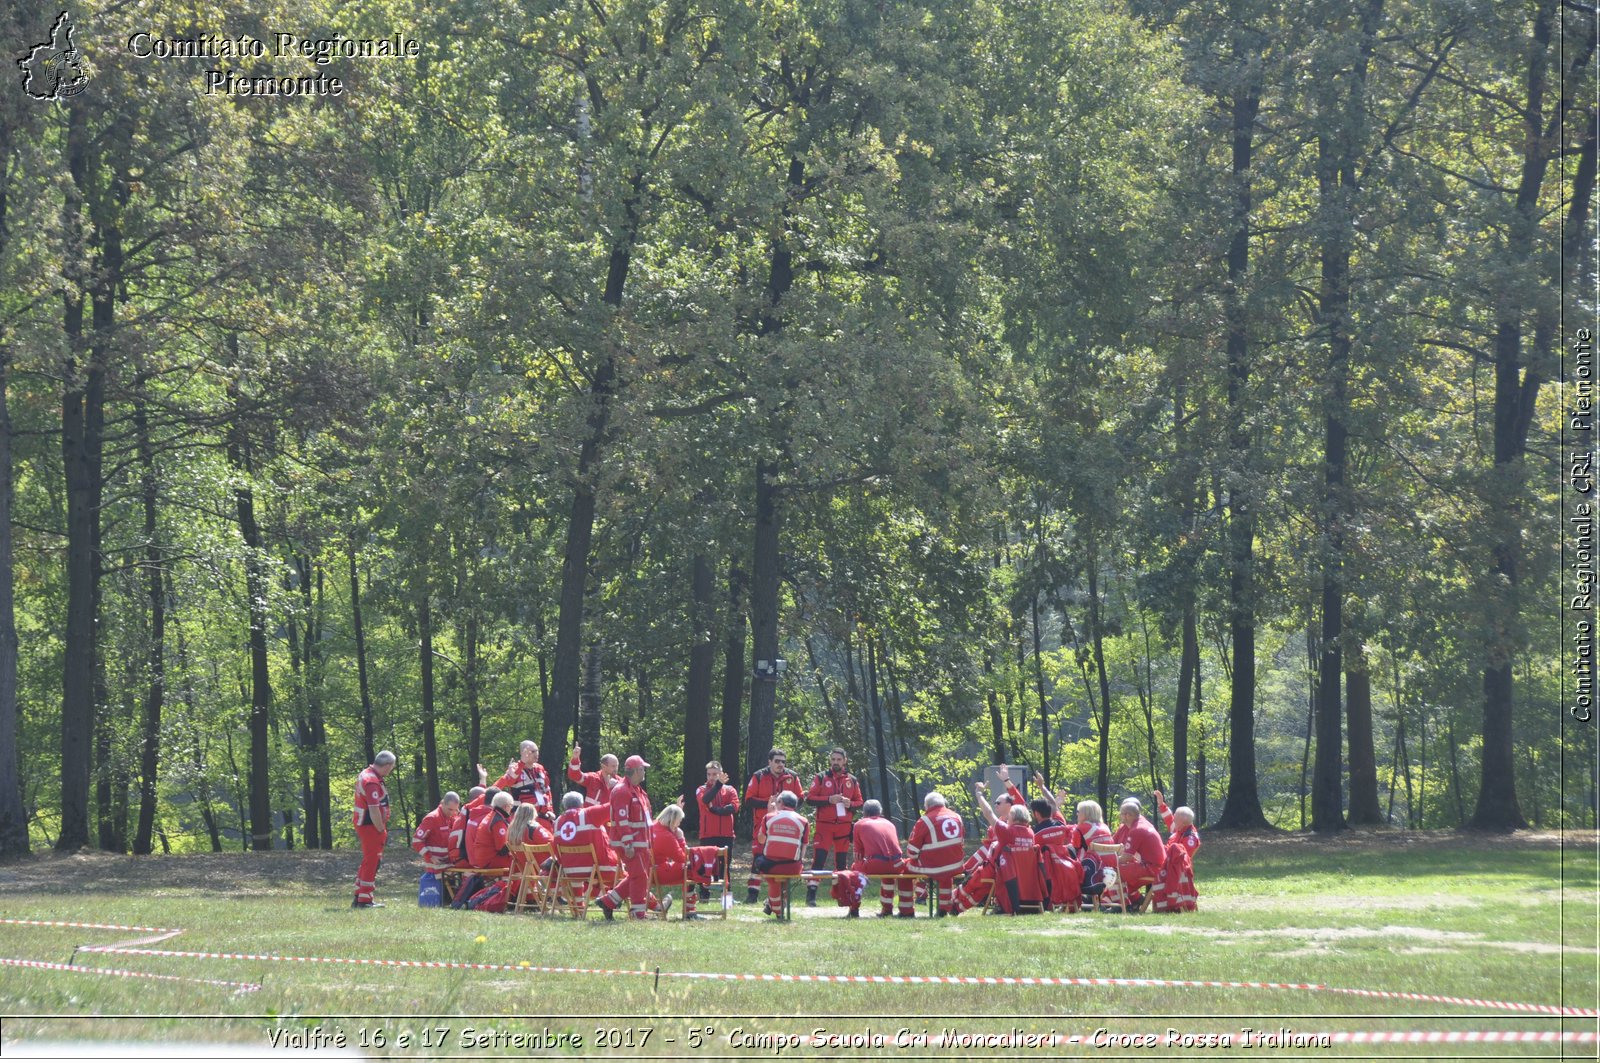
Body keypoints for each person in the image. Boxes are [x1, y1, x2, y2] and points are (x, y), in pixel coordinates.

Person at [600, 755, 666, 920]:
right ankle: (638, 913)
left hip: (641, 841)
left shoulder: (637, 790)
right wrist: (628, 843)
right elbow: (622, 820)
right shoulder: (622, 790)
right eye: (642, 769)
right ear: (636, 771)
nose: (644, 772)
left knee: (638, 874)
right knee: (639, 876)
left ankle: (609, 901)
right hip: (629, 843)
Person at [804, 748, 864, 906]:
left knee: (842, 863)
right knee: (819, 861)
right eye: (833, 759)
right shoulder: (821, 777)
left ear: (845, 760)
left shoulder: (852, 779)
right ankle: (811, 896)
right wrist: (828, 799)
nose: (835, 762)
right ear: (830, 761)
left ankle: (842, 896)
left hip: (843, 827)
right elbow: (810, 798)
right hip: (824, 826)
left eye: (839, 759)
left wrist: (850, 804)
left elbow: (860, 802)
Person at [743, 748, 803, 903]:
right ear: (769, 762)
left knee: (782, 858)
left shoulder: (792, 777)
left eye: (783, 762)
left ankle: (779, 895)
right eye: (777, 761)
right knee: (758, 857)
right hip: (762, 823)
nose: (780, 764)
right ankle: (752, 894)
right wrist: (768, 804)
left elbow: (800, 798)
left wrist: (786, 810)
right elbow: (748, 800)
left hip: (784, 827)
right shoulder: (758, 776)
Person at [552, 791, 621, 908]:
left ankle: (579, 905)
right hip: (599, 870)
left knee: (578, 871)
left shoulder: (558, 821)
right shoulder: (589, 814)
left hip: (569, 872)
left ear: (564, 805)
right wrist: (615, 788)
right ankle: (612, 897)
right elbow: (614, 806)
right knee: (628, 873)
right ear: (582, 804)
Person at [650, 804, 720, 919]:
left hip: (648, 869)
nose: (679, 824)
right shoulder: (666, 836)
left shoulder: (653, 826)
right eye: (679, 821)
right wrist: (681, 838)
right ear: (673, 821)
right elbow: (683, 857)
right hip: (658, 872)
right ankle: (690, 911)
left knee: (688, 867)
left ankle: (685, 909)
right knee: (691, 869)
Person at [905, 792, 965, 916]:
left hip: (934, 867)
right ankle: (944, 908)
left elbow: (912, 851)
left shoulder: (925, 820)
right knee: (946, 870)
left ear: (927, 806)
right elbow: (961, 842)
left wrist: (917, 856)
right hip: (956, 865)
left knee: (905, 869)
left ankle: (906, 910)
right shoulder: (957, 817)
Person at [849, 800, 912, 917]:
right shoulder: (890, 824)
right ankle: (890, 910)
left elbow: (858, 855)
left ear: (864, 813)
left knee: (854, 869)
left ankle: (854, 909)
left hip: (876, 863)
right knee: (888, 875)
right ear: (880, 811)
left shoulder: (859, 825)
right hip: (897, 864)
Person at [754, 791, 809, 916]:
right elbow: (804, 847)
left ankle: (776, 908)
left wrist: (770, 812)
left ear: (780, 803)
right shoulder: (804, 821)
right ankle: (774, 903)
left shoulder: (769, 817)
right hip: (793, 867)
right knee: (783, 877)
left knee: (766, 870)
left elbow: (761, 840)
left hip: (771, 866)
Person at [352, 750, 396, 908]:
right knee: (372, 861)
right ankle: (365, 900)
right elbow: (374, 809)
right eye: (392, 767)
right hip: (370, 826)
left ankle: (359, 896)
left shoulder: (367, 774)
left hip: (365, 824)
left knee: (368, 860)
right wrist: (380, 829)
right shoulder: (371, 781)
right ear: (388, 765)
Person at [1110, 797, 1166, 912]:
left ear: (1127, 815)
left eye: (1122, 815)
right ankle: (1136, 900)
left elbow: (1127, 857)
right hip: (1155, 866)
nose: (1121, 818)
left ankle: (1122, 906)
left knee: (1113, 872)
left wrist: (1107, 861)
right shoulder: (1143, 823)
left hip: (1152, 868)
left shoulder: (1136, 829)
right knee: (1120, 870)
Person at [693, 760, 739, 901]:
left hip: (726, 835)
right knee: (704, 866)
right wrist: (718, 786)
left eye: (715, 774)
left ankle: (727, 898)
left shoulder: (730, 789)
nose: (711, 777)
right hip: (707, 835)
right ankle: (704, 896)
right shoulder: (701, 789)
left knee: (725, 866)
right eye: (709, 774)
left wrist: (715, 810)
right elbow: (706, 800)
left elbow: (734, 807)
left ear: (721, 774)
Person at [495, 740, 555, 822]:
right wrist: (521, 764)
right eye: (533, 751)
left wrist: (550, 810)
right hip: (522, 819)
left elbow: (547, 790)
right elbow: (507, 782)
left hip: (543, 817)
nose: (536, 754)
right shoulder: (515, 769)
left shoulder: (540, 768)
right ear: (523, 753)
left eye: (537, 751)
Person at [1071, 798, 1115, 905]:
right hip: (1112, 870)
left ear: (1086, 814)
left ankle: (1072, 901)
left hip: (1095, 870)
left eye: (1078, 812)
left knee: (1068, 866)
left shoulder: (1080, 828)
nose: (1077, 814)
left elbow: (1073, 849)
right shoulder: (1105, 827)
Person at [412, 791, 461, 874]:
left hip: (449, 868)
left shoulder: (452, 818)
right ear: (442, 803)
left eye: (455, 810)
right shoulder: (432, 818)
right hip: (435, 870)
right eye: (450, 809)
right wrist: (430, 857)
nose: (452, 812)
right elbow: (416, 841)